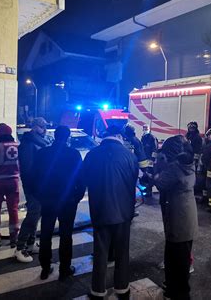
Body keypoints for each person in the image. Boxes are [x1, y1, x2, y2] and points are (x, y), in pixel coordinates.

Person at [80, 125, 138, 299]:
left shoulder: (92, 155)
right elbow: (134, 180)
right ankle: (122, 288)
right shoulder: (129, 156)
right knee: (122, 251)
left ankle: (98, 290)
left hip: (100, 210)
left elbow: (83, 179)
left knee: (100, 251)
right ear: (119, 136)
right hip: (123, 212)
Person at [33, 126, 83, 281]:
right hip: (68, 200)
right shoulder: (73, 154)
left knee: (46, 233)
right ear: (68, 137)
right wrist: (77, 197)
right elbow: (81, 179)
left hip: (48, 199)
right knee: (66, 235)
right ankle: (64, 269)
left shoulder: (43, 153)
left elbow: (33, 176)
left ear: (55, 136)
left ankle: (45, 268)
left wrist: (39, 196)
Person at [154, 135, 198, 300]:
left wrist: (158, 167)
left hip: (178, 218)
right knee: (182, 258)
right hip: (188, 217)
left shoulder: (174, 168)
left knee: (175, 259)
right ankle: (176, 289)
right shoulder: (188, 165)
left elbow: (159, 182)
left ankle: (177, 293)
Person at [15, 117, 49, 263]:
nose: (44, 129)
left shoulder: (38, 142)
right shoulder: (29, 144)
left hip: (40, 185)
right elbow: (28, 169)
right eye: (42, 126)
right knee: (33, 215)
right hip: (34, 186)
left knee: (36, 214)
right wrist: (35, 186)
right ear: (34, 127)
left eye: (45, 126)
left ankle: (30, 243)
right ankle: (20, 247)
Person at [140, 124, 158, 197]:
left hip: (150, 159)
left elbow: (155, 149)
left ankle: (149, 190)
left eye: (146, 128)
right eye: (144, 128)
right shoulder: (143, 137)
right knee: (146, 174)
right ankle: (147, 188)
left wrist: (152, 159)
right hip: (145, 159)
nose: (145, 130)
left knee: (150, 174)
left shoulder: (152, 138)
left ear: (149, 129)